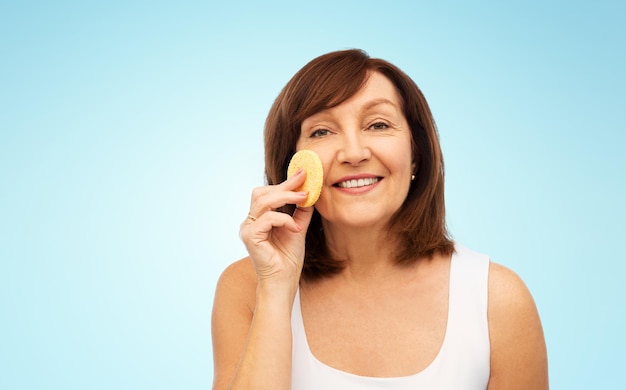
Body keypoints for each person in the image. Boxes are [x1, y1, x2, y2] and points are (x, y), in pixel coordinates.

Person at [211, 49, 548, 389]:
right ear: (293, 164)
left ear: (416, 155)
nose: (355, 153)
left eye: (378, 124)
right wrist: (275, 287)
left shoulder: (496, 299)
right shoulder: (249, 287)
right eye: (322, 132)